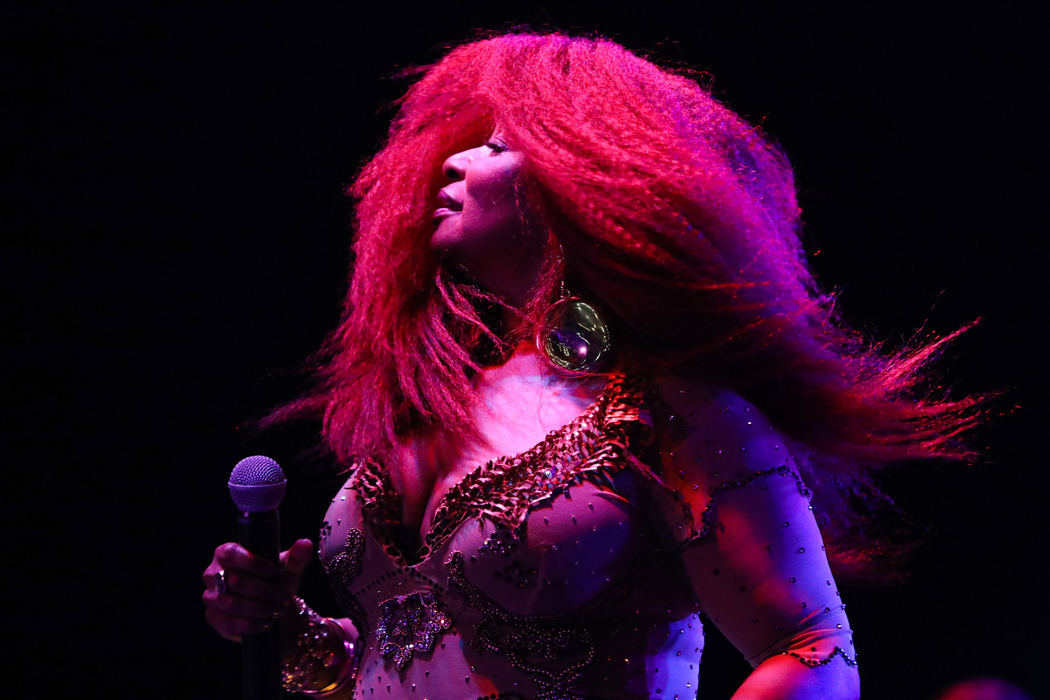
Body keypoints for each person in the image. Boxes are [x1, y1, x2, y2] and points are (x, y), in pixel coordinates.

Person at [202, 31, 984, 699]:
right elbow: (398, 660)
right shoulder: (432, 410)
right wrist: (284, 627)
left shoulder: (670, 415)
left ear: (582, 179)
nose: (451, 163)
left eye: (498, 146)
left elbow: (815, 655)